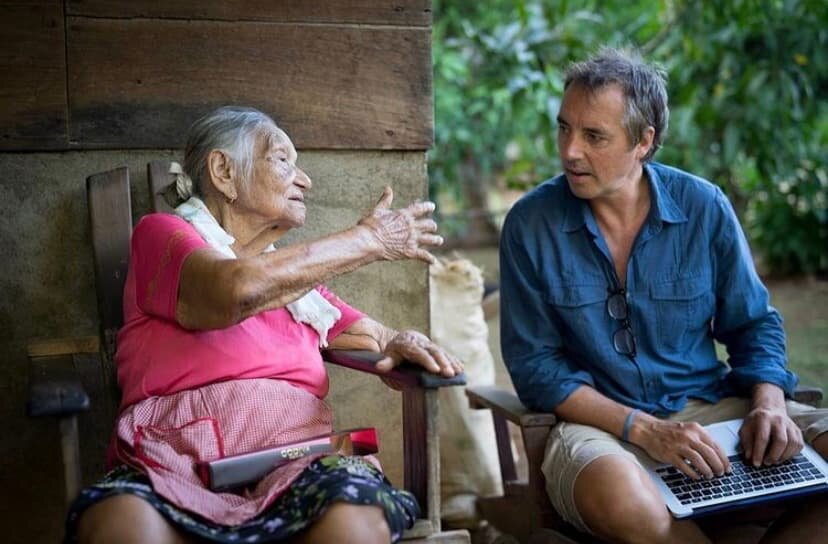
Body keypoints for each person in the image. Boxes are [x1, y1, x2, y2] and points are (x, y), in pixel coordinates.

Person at [66, 105, 463, 544]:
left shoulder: (300, 292)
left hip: (296, 462)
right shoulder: (163, 235)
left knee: (353, 517)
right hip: (174, 462)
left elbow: (376, 337)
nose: (305, 180)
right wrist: (367, 240)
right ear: (223, 172)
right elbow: (234, 290)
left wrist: (399, 340)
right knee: (123, 524)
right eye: (282, 160)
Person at [499, 47, 828, 543]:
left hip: (713, 409)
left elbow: (753, 324)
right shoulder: (530, 223)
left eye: (594, 136)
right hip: (600, 429)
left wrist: (769, 404)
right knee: (624, 499)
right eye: (564, 127)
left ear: (643, 141)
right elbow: (537, 370)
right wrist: (645, 430)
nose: (569, 150)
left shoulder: (704, 206)